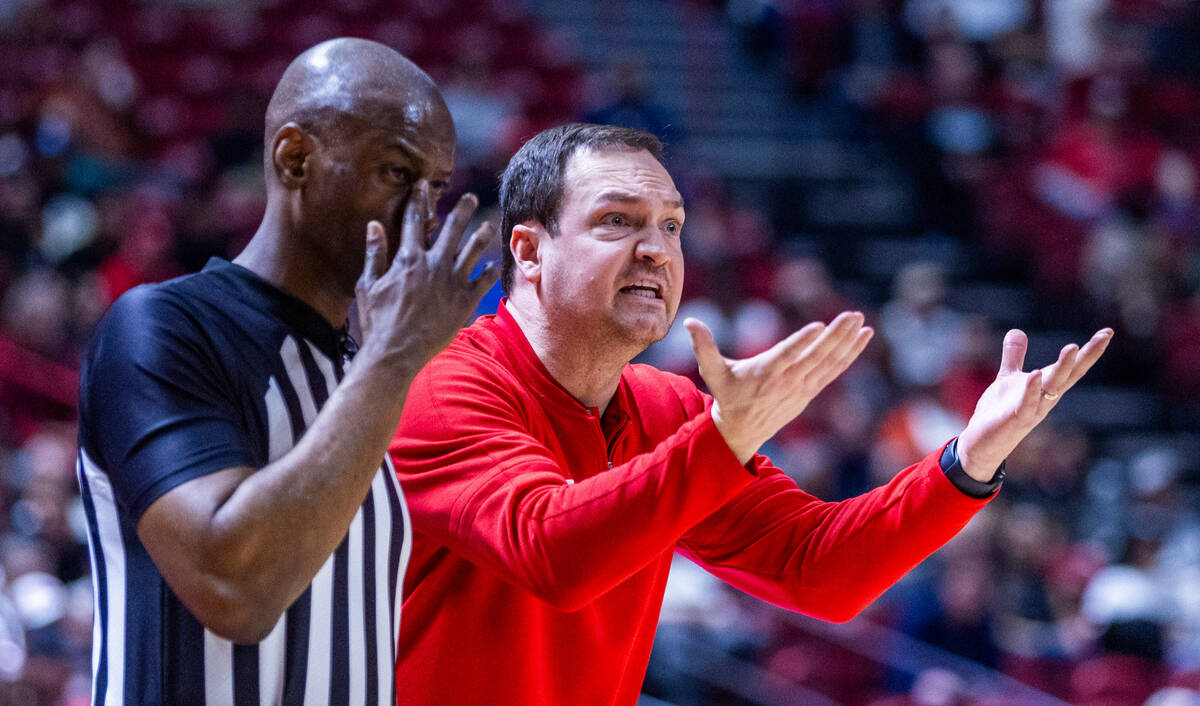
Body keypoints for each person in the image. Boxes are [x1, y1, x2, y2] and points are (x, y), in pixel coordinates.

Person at [388, 123, 1112, 704]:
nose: (656, 249)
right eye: (618, 221)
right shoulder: (442, 388)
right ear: (530, 249)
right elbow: (553, 554)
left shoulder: (667, 409)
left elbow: (819, 571)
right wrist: (720, 439)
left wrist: (969, 461)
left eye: (671, 226)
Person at [75, 38, 497, 704]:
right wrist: (392, 359)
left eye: (437, 187)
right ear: (294, 157)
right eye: (395, 173)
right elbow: (233, 588)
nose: (423, 215)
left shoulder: (366, 369)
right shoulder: (163, 328)